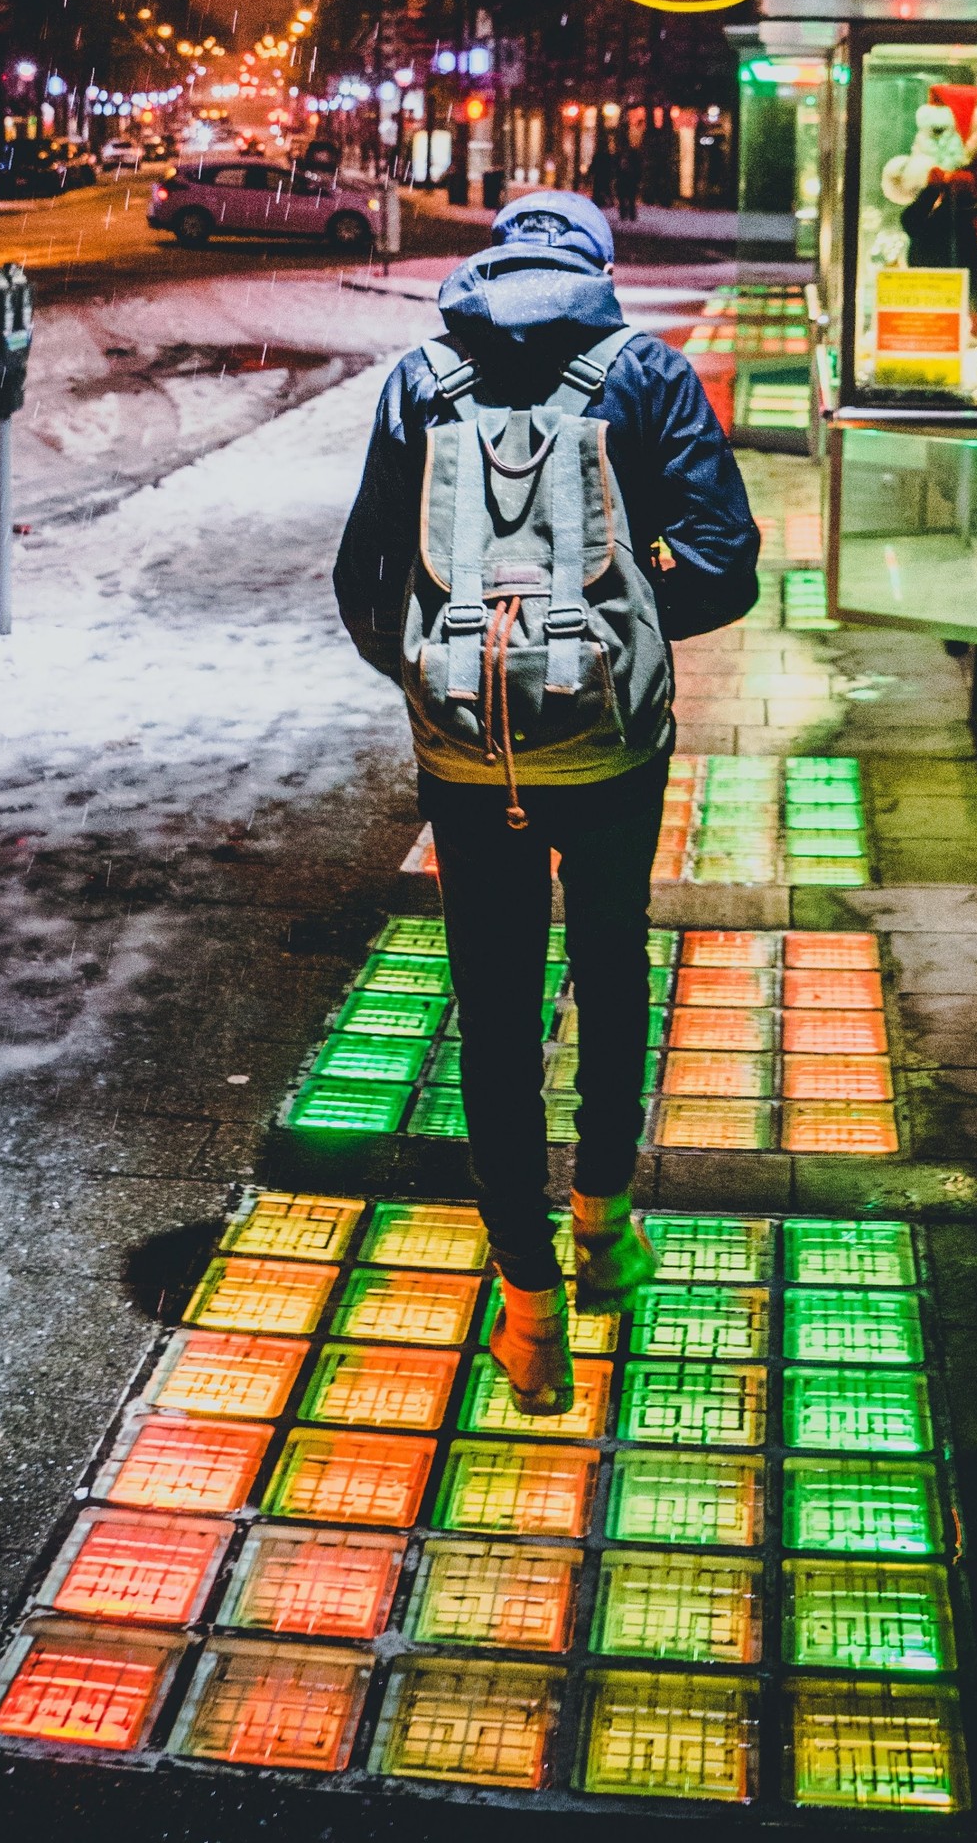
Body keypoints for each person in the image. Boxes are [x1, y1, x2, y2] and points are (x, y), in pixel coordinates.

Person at [334, 191, 759, 1412]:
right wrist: (615, 644)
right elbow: (722, 562)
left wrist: (447, 678)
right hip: (613, 752)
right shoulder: (645, 373)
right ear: (598, 265)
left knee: (496, 1009)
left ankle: (528, 1315)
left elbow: (365, 576)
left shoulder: (420, 378)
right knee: (612, 964)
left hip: (468, 761)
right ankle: (606, 1220)